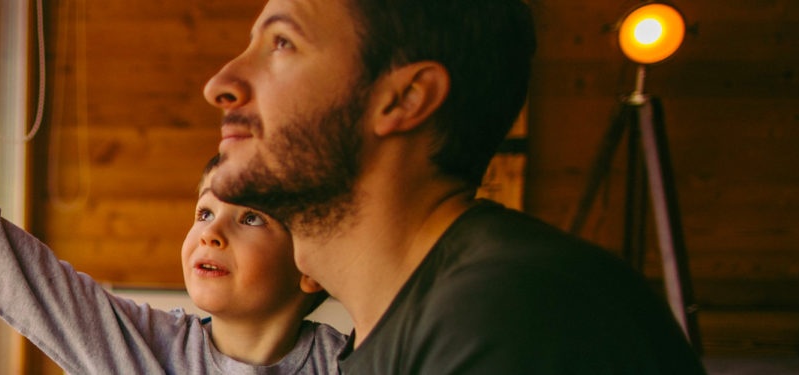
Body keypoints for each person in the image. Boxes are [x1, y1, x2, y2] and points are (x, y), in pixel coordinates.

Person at [200, 0, 704, 373]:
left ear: (405, 100)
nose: (221, 83)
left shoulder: (516, 316)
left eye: (282, 43)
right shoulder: (392, 336)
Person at [0, 72, 346, 373]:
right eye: (204, 211)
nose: (211, 232)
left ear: (313, 262)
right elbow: (7, 265)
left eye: (249, 216)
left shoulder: (355, 362)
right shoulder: (140, 349)